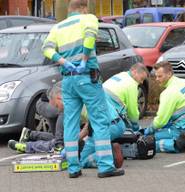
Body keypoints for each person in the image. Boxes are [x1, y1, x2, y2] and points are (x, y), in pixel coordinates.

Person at [42, 0, 124, 178]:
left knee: (70, 123)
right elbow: (89, 38)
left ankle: (73, 168)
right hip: (87, 77)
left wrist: (64, 62)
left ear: (69, 10)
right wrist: (84, 60)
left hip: (68, 80)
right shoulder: (88, 19)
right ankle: (105, 167)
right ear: (83, 8)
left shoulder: (58, 27)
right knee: (100, 120)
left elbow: (46, 49)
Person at [103, 63, 149, 131]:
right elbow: (132, 111)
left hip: (95, 101)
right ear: (135, 72)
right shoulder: (132, 84)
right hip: (106, 107)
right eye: (141, 79)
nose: (142, 82)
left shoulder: (122, 74)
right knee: (119, 128)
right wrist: (135, 124)